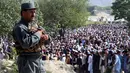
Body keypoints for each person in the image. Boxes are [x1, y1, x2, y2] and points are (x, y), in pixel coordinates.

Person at [12, 2, 50, 73]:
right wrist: (38, 34)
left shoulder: (36, 26)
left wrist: (46, 37)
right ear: (23, 13)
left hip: (38, 59)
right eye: (31, 12)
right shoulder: (19, 27)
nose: (33, 15)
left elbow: (48, 40)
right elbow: (26, 43)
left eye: (34, 12)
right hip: (27, 60)